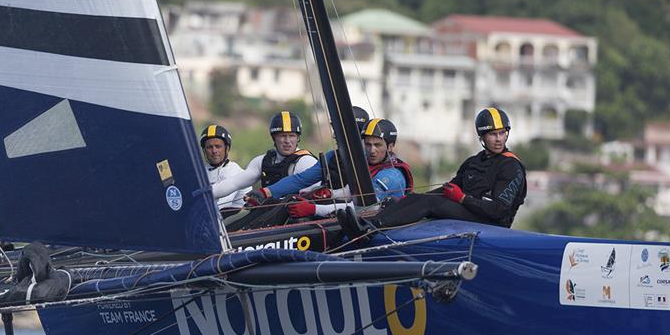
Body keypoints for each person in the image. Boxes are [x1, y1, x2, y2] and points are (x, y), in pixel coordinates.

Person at [347, 107, 526, 233]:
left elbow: (498, 211)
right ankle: (363, 221)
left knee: (431, 204)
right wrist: (410, 199)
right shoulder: (474, 161)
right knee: (421, 198)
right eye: (493, 134)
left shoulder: (511, 166)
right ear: (482, 137)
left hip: (491, 223)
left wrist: (463, 198)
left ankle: (372, 227)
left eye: (502, 133)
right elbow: (448, 190)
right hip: (471, 211)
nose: (498, 139)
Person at [247, 117, 413, 220]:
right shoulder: (342, 158)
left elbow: (365, 207)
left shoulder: (391, 176)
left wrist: (314, 208)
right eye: (367, 144)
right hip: (348, 218)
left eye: (377, 145)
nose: (372, 150)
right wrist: (265, 192)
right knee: (290, 203)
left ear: (390, 147)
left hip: (374, 228)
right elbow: (302, 180)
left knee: (299, 218)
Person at [213, 111, 318, 230]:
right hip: (267, 214)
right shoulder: (262, 161)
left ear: (298, 137)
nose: (287, 141)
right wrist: (205, 193)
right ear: (274, 137)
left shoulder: (306, 162)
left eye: (292, 135)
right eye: (282, 136)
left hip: (292, 219)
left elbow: (312, 198)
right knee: (227, 228)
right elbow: (233, 183)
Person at [200, 124, 245, 211]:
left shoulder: (234, 171)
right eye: (209, 147)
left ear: (227, 148)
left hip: (234, 218)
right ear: (204, 150)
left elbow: (222, 205)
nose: (214, 151)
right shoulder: (201, 172)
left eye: (218, 146)